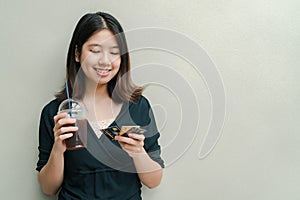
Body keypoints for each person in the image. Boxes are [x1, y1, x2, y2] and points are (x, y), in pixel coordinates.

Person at [36, 11, 164, 200]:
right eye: (95, 51)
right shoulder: (56, 113)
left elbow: (154, 181)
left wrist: (138, 153)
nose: (105, 61)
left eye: (114, 52)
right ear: (78, 54)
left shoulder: (137, 107)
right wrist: (58, 148)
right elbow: (48, 188)